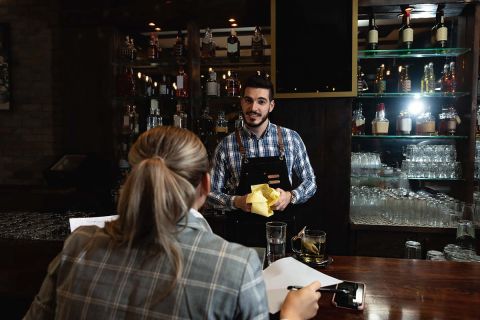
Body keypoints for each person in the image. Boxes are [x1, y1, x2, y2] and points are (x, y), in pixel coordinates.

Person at [24, 126, 321, 319]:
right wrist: (291, 315)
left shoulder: (77, 246)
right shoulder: (236, 267)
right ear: (204, 186)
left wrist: (291, 195)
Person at [208, 74, 317, 246]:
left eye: (261, 101)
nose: (254, 107)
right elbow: (210, 193)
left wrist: (290, 196)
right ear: (242, 103)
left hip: (282, 233)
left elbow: (310, 182)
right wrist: (237, 201)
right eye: (248, 100)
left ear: (271, 106)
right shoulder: (226, 145)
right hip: (240, 236)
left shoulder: (291, 138)